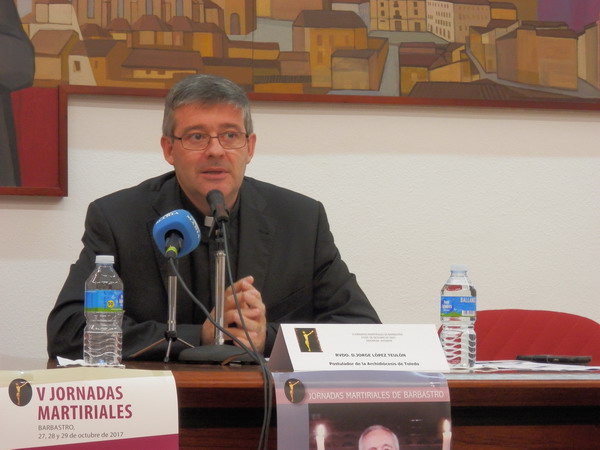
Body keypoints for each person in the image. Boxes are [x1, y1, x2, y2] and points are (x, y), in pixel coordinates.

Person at [47, 74, 380, 361]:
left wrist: (266, 338)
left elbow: (362, 332)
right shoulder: (119, 218)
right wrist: (202, 336)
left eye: (230, 135)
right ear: (169, 149)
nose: (216, 150)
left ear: (249, 147)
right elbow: (69, 330)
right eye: (196, 136)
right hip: (162, 403)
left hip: (265, 406)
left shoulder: (301, 220)